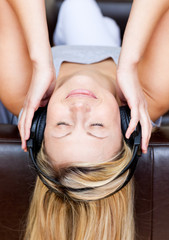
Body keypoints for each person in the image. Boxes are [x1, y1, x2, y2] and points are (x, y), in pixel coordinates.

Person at [0, 0, 169, 239]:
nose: (79, 108)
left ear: (40, 127)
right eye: (96, 126)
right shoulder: (151, 92)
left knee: (75, 7)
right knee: (79, 10)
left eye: (63, 125)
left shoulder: (22, 92)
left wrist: (40, 60)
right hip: (106, 45)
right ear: (125, 126)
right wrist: (129, 62)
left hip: (70, 48)